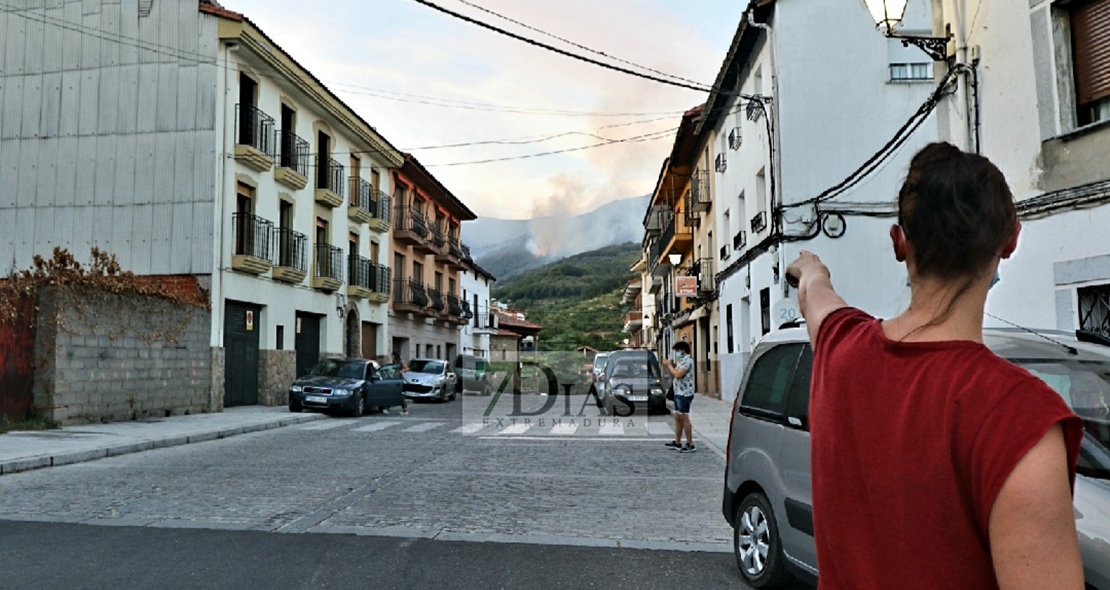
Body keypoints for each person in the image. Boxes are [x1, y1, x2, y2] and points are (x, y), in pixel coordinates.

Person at [786, 142, 1084, 589]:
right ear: (1011, 240)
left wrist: (810, 267)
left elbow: (815, 294)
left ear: (899, 242)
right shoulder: (1023, 420)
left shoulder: (840, 347)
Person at [662, 341, 696, 453]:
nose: (676, 353)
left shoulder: (688, 361)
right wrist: (671, 367)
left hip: (685, 393)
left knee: (684, 417)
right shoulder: (681, 361)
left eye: (677, 351)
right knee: (677, 417)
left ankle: (690, 443)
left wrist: (669, 365)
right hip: (678, 392)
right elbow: (675, 374)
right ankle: (677, 442)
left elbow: (678, 374)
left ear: (683, 350)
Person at [390, 351, 410, 416]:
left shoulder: (400, 361)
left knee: (400, 394)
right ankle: (388, 407)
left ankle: (405, 409)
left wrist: (401, 371)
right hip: (394, 378)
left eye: (392, 356)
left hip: (399, 379)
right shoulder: (394, 362)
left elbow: (407, 368)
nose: (391, 357)